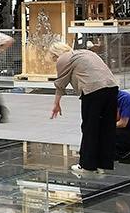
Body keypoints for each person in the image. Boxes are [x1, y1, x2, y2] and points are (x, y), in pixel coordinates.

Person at [48, 41, 125, 173]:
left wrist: (56, 104)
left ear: (55, 55)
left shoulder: (64, 58)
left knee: (90, 127)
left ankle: (87, 165)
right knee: (106, 127)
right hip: (112, 87)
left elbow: (60, 83)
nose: (55, 62)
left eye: (54, 59)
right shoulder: (86, 52)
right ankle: (103, 163)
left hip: (93, 90)